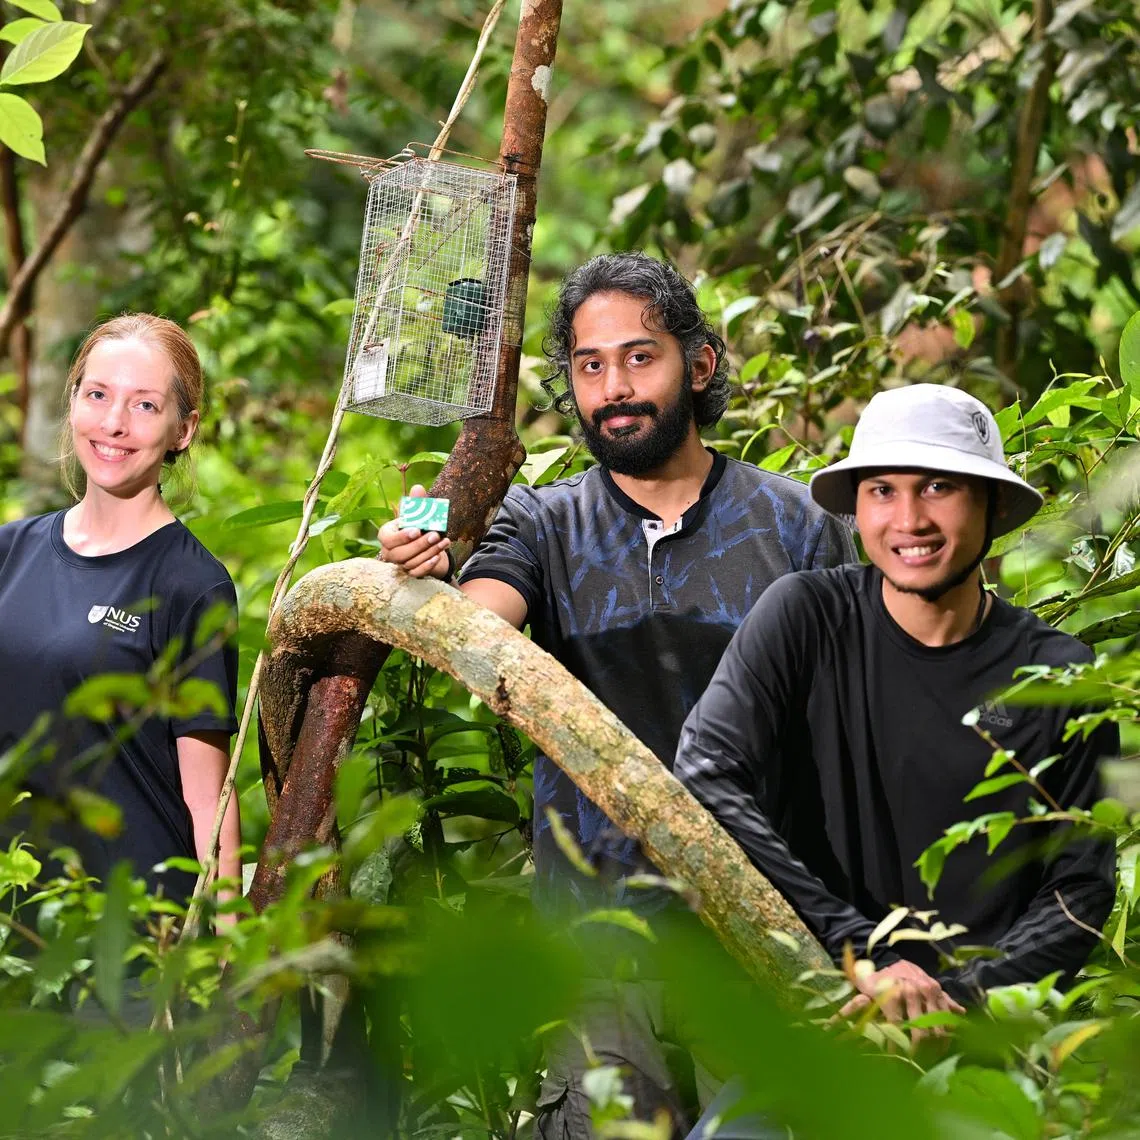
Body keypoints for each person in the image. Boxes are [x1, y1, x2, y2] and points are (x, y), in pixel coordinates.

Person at [380, 252, 855, 1136]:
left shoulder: (799, 526)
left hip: (759, 940)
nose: (615, 388)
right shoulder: (544, 523)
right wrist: (428, 563)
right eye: (590, 366)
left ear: (699, 364)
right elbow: (479, 632)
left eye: (640, 357)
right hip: (595, 947)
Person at [675, 383, 1117, 1024]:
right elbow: (707, 775)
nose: (908, 520)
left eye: (938, 487)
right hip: (820, 1015)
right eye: (882, 490)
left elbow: (1079, 886)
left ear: (992, 505)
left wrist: (958, 1003)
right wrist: (860, 954)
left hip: (985, 1040)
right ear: (857, 507)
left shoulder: (1058, 673)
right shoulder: (806, 617)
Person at [0, 314, 241, 918]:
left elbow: (208, 795)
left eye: (144, 405)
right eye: (99, 395)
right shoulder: (11, 551)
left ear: (182, 431)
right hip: (17, 922)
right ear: (74, 402)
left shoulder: (192, 583)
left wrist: (226, 952)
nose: (113, 424)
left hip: (130, 937)